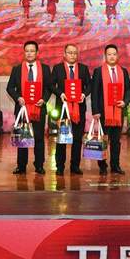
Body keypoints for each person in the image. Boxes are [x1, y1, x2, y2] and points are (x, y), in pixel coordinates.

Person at [6, 41, 52, 175]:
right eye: (27, 51)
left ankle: (39, 165)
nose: (29, 53)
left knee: (39, 138)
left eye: (32, 51)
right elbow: (10, 87)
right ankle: (21, 166)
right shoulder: (17, 69)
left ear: (37, 53)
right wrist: (18, 98)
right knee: (22, 138)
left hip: (39, 108)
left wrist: (44, 99)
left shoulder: (45, 69)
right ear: (24, 52)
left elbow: (49, 88)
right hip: (22, 109)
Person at [91, 44, 130, 175]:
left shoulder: (123, 71)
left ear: (117, 56)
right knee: (103, 140)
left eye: (114, 54)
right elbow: (94, 92)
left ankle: (115, 166)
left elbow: (129, 89)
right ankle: (102, 166)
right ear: (105, 56)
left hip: (118, 112)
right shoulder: (98, 71)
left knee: (116, 141)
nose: (112, 56)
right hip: (103, 113)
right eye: (109, 54)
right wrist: (95, 111)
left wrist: (125, 102)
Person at [51, 44, 91, 176]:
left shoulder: (83, 69)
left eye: (75, 53)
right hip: (63, 109)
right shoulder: (57, 68)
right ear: (64, 54)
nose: (72, 55)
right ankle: (60, 166)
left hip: (79, 109)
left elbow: (89, 85)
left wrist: (83, 94)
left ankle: (75, 166)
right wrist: (60, 93)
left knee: (77, 139)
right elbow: (51, 85)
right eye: (70, 52)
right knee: (62, 139)